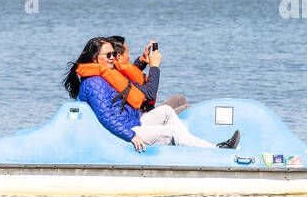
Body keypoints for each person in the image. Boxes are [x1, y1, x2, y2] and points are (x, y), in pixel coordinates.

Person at [63, 38, 238, 151]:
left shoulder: (104, 74)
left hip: (133, 120)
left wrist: (141, 61)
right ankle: (215, 151)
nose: (112, 58)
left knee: (167, 111)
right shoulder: (95, 83)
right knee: (170, 132)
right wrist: (131, 136)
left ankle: (187, 147)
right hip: (127, 130)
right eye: (108, 55)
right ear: (95, 59)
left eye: (114, 54)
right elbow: (106, 117)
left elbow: (126, 81)